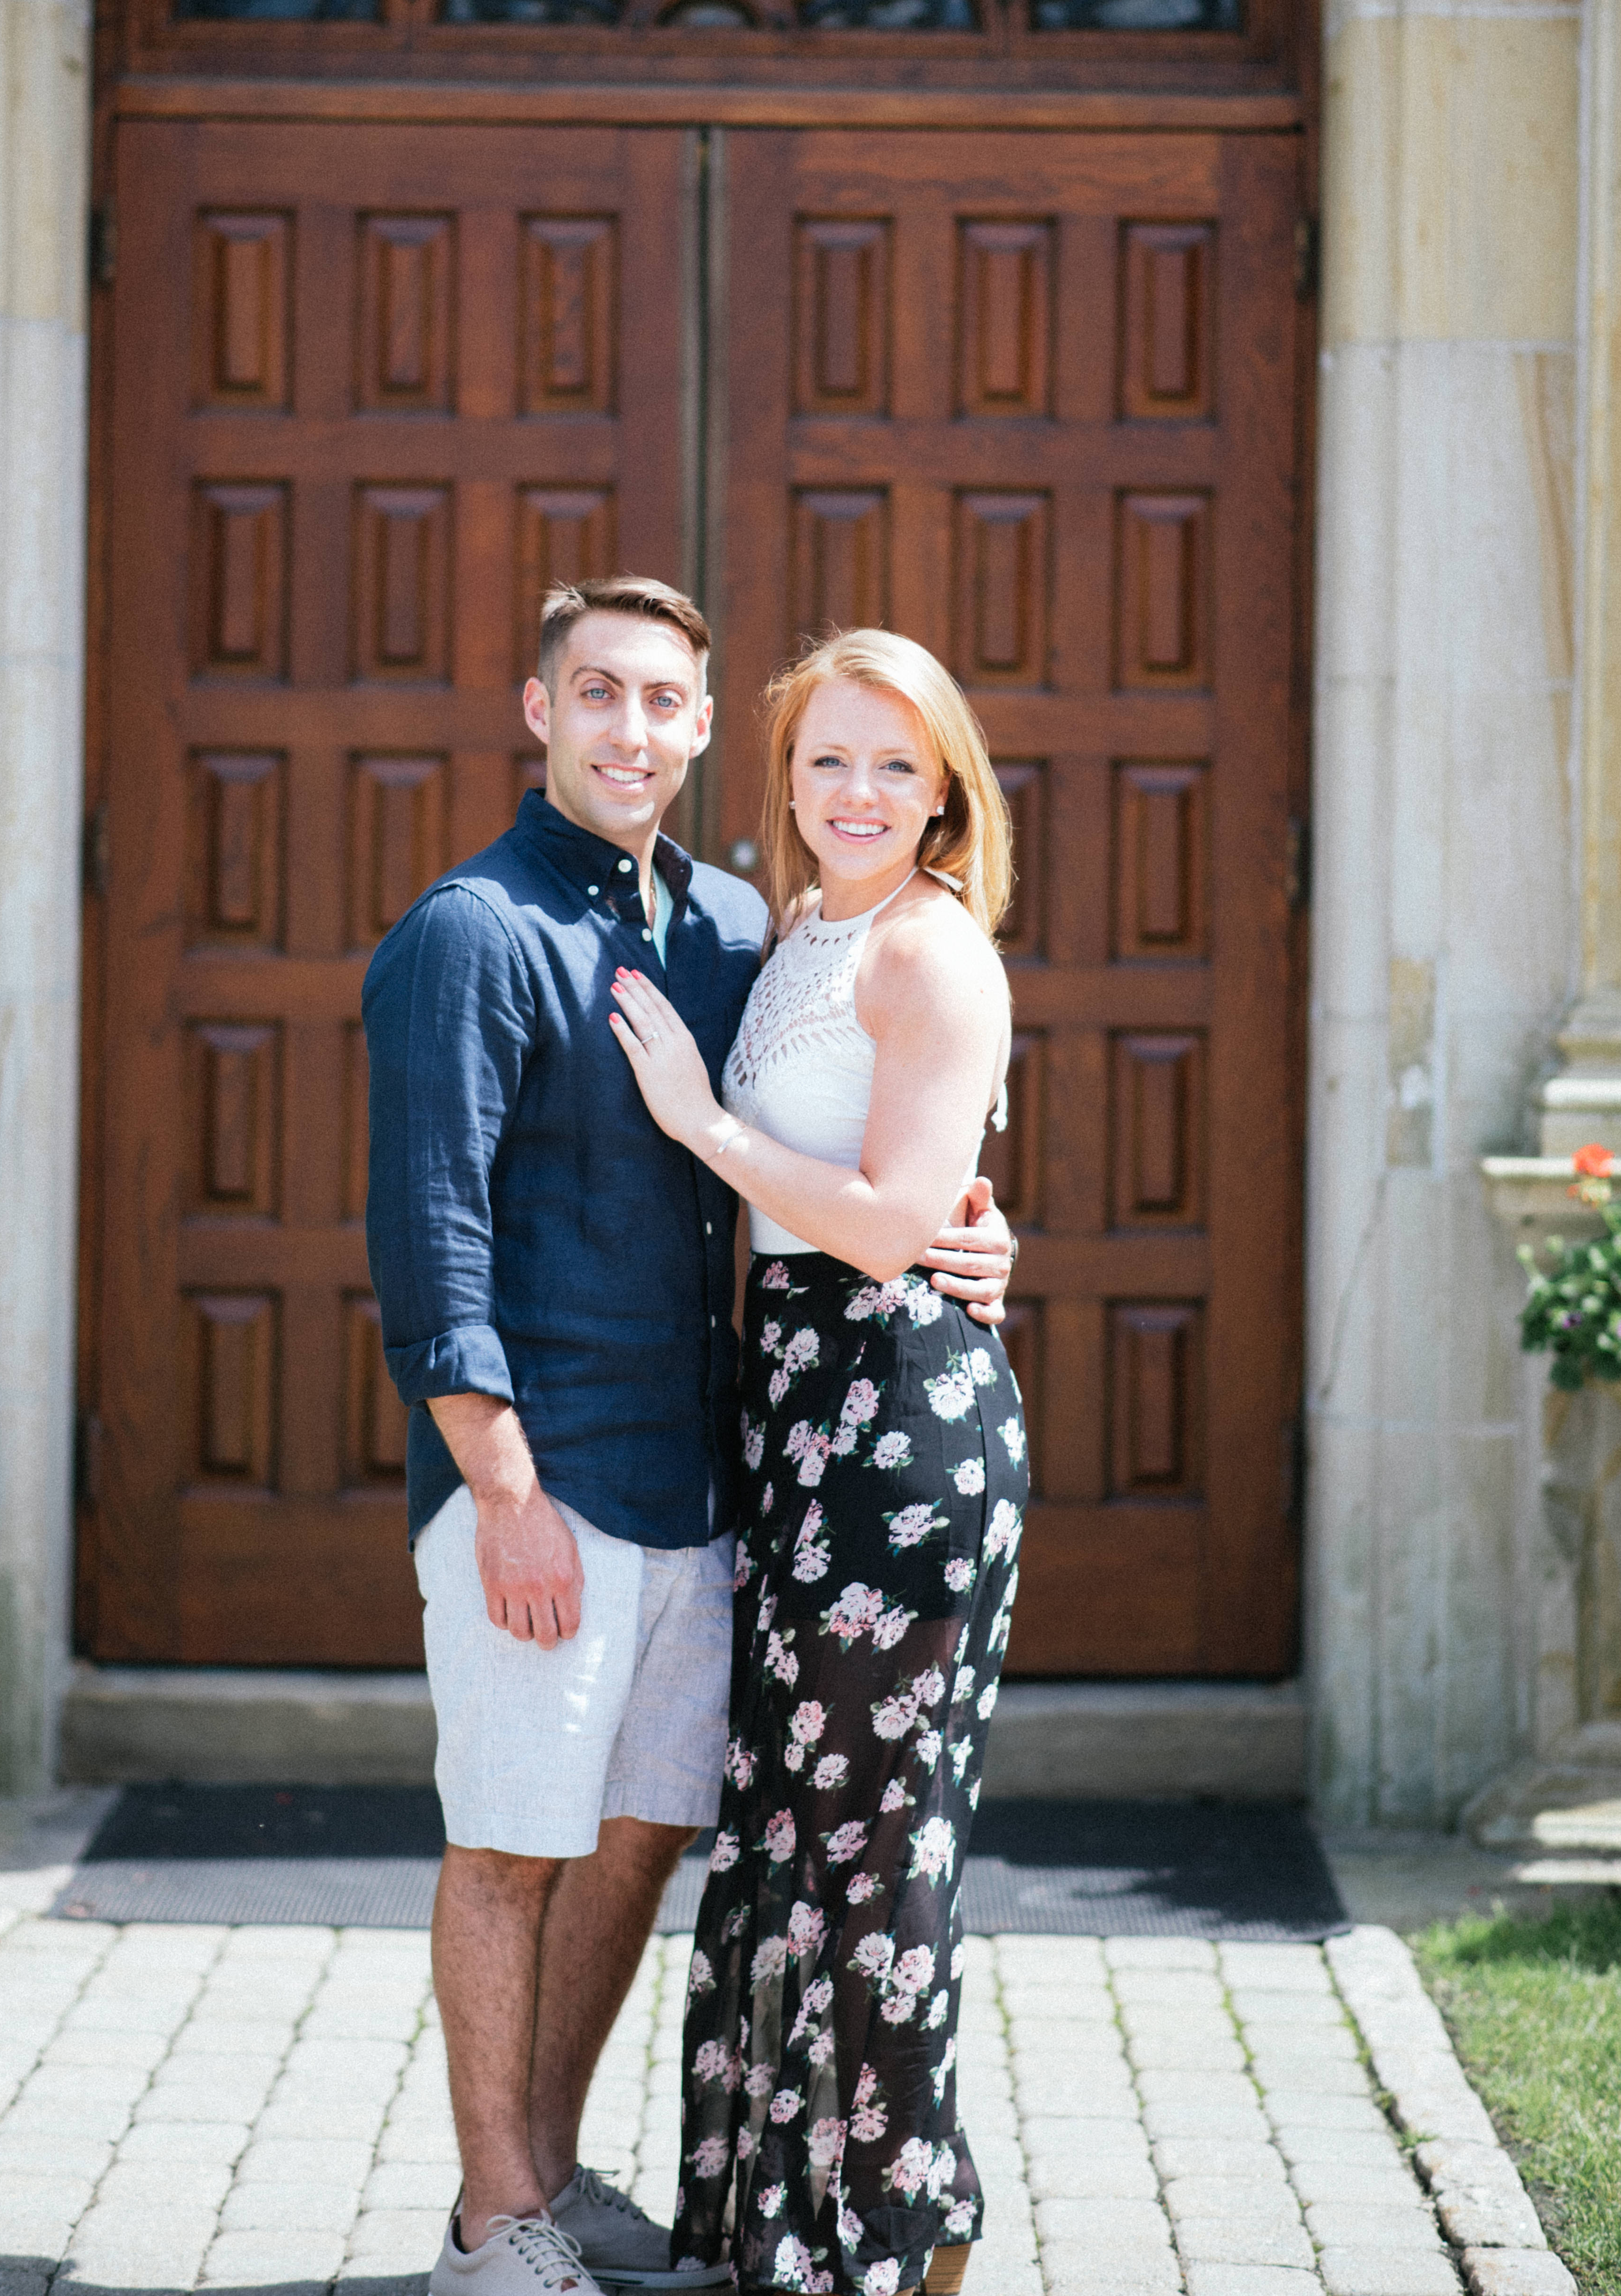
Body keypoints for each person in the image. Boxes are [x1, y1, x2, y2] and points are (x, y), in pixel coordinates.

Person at [362, 580, 1017, 2296]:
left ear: (709, 730)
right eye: (598, 694)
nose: (631, 730)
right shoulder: (471, 934)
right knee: (511, 1842)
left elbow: (857, 1136)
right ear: (540, 709)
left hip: (721, 1484)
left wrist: (962, 1223)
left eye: (664, 701)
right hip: (546, 1480)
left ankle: (547, 2176)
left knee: (643, 1836)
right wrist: (501, 1489)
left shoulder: (735, 928)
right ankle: (489, 2226)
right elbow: (429, 1246)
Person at [606, 627, 1028, 2296]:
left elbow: (892, 1225)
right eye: (827, 758)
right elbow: (898, 1187)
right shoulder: (799, 933)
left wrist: (703, 1124)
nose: (857, 791)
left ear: (944, 794)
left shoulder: (933, 950)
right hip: (799, 1420)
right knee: (796, 1830)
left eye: (894, 765)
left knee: (876, 1840)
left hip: (898, 1437)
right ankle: (806, 2220)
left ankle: (898, 2234)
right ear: (784, 775)